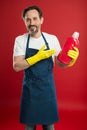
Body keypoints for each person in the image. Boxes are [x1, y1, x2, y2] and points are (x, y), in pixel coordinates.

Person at [13, 5, 79, 130]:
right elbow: (16, 66)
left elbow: (60, 63)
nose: (31, 23)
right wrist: (37, 57)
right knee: (29, 127)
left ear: (41, 19)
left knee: (49, 127)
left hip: (47, 91)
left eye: (35, 18)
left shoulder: (51, 39)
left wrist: (70, 61)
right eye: (28, 19)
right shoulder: (20, 40)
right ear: (24, 21)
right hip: (30, 92)